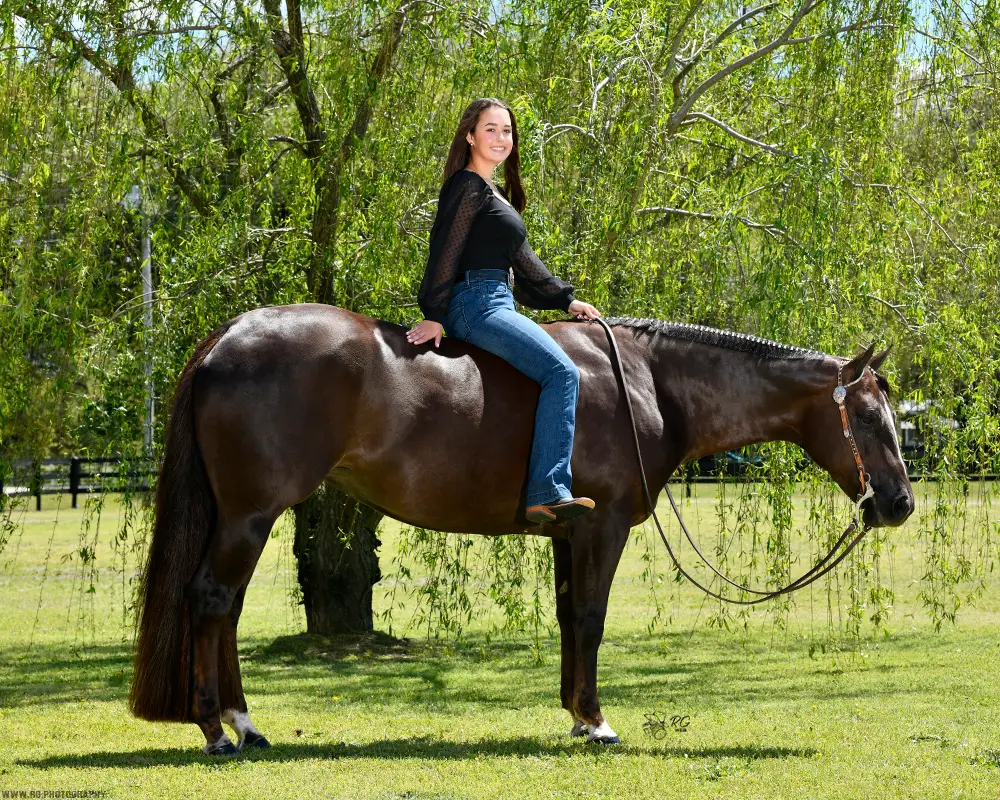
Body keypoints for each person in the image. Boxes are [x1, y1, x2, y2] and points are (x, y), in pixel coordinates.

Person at [407, 98, 602, 525]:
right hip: (476, 301)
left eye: (507, 131)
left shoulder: (495, 194)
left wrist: (567, 299)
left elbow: (526, 265)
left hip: (496, 299)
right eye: (490, 129)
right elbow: (445, 251)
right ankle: (547, 491)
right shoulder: (467, 186)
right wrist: (435, 311)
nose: (501, 138)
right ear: (470, 136)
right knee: (563, 373)